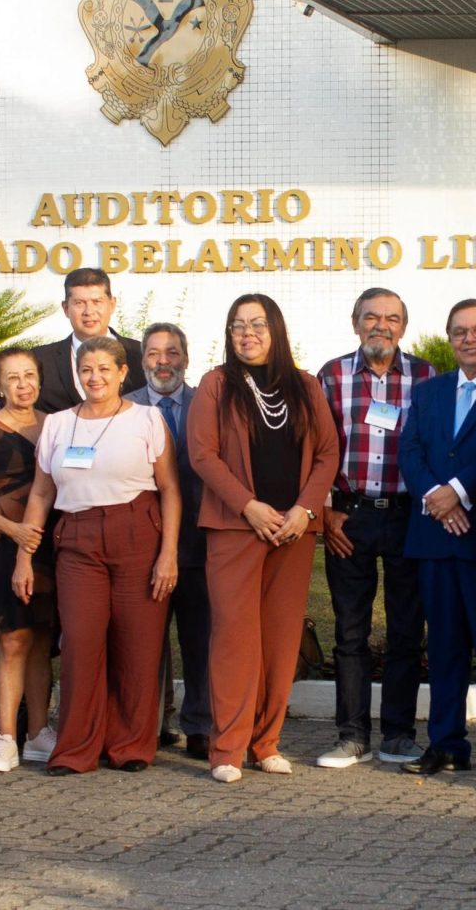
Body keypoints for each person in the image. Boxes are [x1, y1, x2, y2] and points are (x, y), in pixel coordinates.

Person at [189, 294, 339, 784]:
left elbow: (327, 453)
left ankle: (265, 743)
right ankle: (227, 749)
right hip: (236, 528)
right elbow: (202, 454)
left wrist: (305, 509)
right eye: (237, 325)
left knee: (280, 639)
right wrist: (248, 506)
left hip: (293, 531)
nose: (247, 333)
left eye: (256, 324)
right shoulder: (216, 385)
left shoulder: (306, 386)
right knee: (234, 638)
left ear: (275, 329)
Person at [20, 337, 182, 774]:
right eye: (87, 370)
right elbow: (40, 493)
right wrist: (24, 555)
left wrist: (168, 553)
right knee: (80, 643)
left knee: (137, 645)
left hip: (138, 535)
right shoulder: (58, 424)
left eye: (104, 369)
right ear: (77, 374)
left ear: (122, 373)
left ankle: (130, 746)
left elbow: (170, 489)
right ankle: (76, 749)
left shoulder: (146, 419)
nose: (95, 378)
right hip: (78, 541)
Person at [397, 298, 476, 779]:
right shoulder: (429, 391)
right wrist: (435, 495)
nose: (468, 339)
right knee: (444, 646)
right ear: (450, 338)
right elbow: (410, 449)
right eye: (459, 332)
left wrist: (457, 491)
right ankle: (446, 743)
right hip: (435, 537)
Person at [314, 287, 433, 768]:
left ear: (403, 326)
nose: (380, 325)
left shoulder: (427, 376)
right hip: (349, 517)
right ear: (355, 322)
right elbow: (315, 447)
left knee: (406, 630)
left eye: (391, 318)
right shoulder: (331, 375)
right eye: (370, 317)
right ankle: (352, 736)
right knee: (350, 633)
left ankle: (398, 736)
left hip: (409, 516)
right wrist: (325, 509)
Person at [0, 347, 57, 773]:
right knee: (13, 638)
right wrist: (14, 531)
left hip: (51, 542)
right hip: (4, 544)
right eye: (14, 378)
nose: (24, 385)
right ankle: (4, 738)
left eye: (30, 375)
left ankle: (38, 734)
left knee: (42, 638)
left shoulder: (57, 425)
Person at [131, 323, 210, 759]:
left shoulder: (207, 404)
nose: (164, 362)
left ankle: (200, 727)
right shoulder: (122, 408)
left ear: (186, 358)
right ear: (142, 359)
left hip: (200, 542)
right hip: (141, 544)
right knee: (145, 644)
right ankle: (150, 725)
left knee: (200, 641)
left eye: (173, 352)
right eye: (154, 353)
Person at [32, 267, 146, 412]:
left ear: (112, 304)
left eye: (97, 302)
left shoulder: (140, 355)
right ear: (66, 308)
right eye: (79, 303)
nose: (89, 312)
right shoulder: (40, 360)